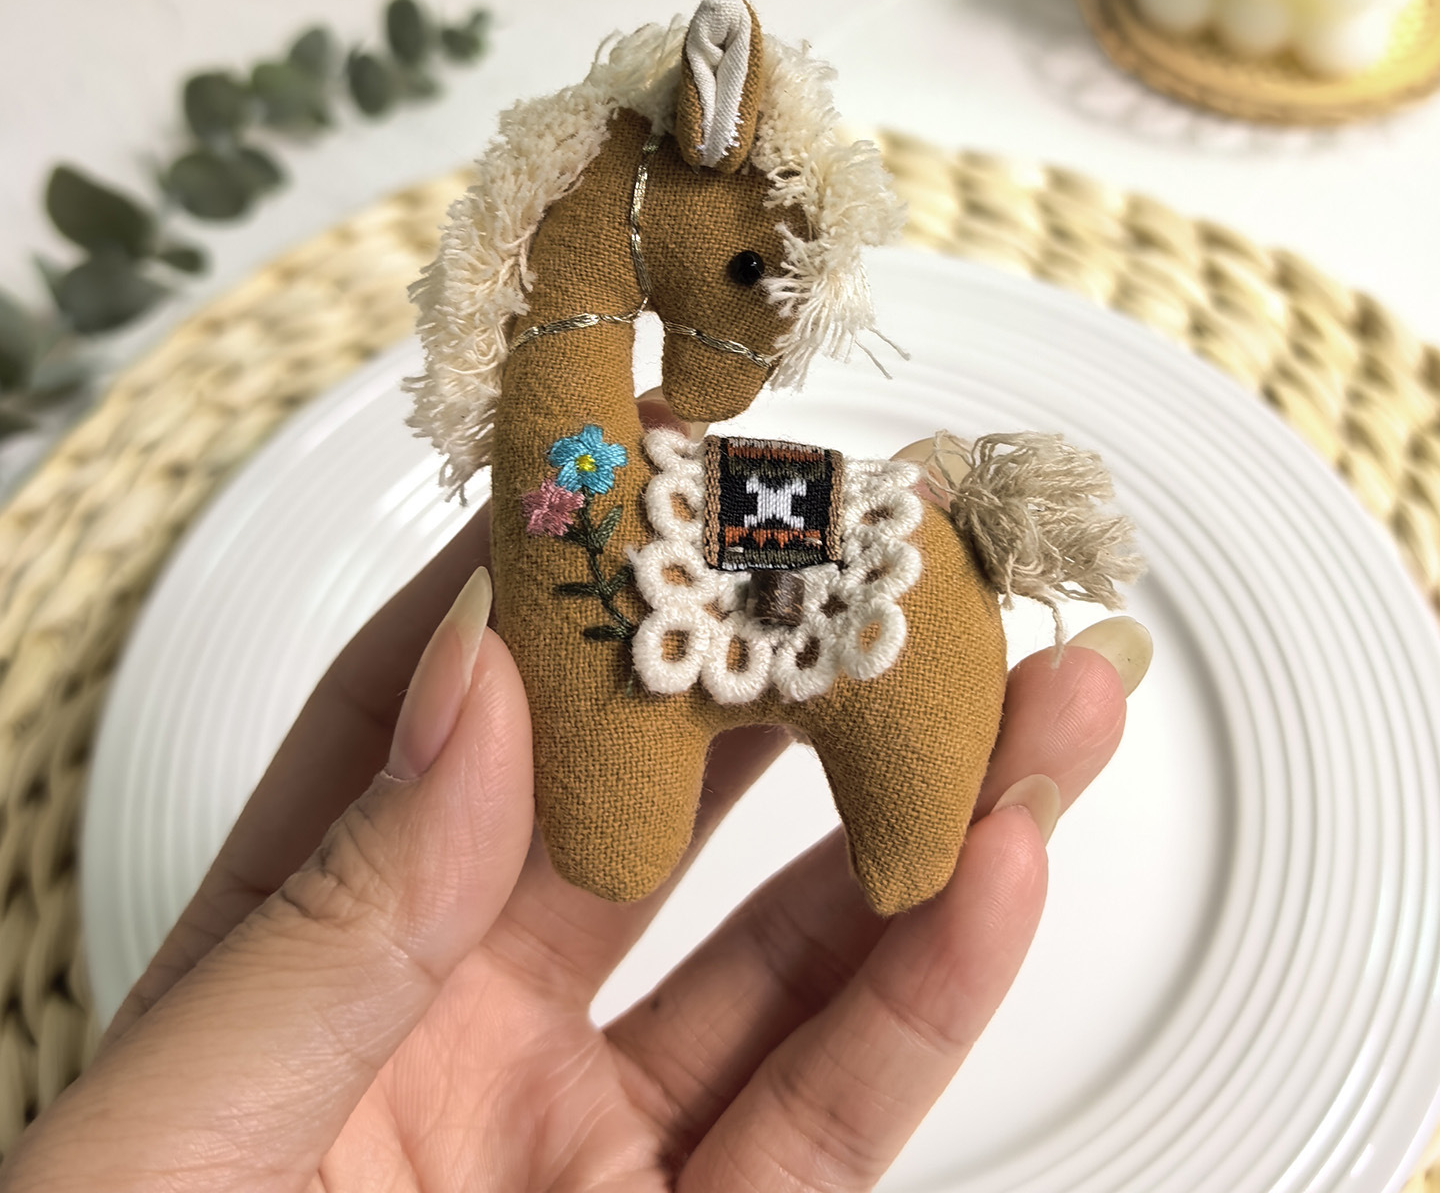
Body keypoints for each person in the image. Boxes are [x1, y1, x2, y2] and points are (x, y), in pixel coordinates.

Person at [1, 396, 1150, 1192]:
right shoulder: (582, 477)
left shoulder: (666, 493)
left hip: (848, 592)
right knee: (623, 816)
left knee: (889, 842)